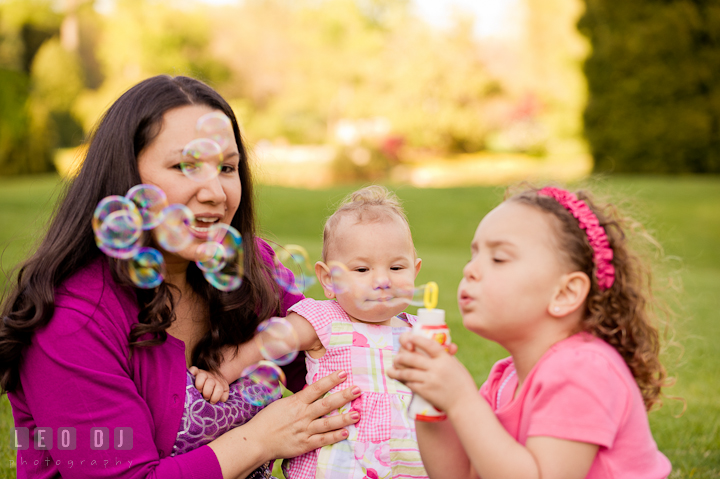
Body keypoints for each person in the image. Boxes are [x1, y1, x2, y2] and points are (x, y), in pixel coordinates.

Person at [0, 75, 361, 479]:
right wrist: (260, 439)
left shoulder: (250, 270)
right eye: (185, 166)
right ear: (127, 178)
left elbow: (344, 366)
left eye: (227, 167)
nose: (215, 192)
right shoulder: (73, 318)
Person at [388, 185, 673, 479]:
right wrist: (433, 404)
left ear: (565, 293)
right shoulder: (505, 379)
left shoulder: (583, 369)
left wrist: (461, 399)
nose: (470, 270)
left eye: (498, 258)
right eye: (473, 256)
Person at [195, 185, 430, 479]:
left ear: (415, 271)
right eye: (362, 270)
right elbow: (266, 344)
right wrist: (221, 372)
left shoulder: (420, 332)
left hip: (408, 467)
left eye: (396, 268)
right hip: (337, 465)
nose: (382, 280)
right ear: (328, 280)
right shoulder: (324, 320)